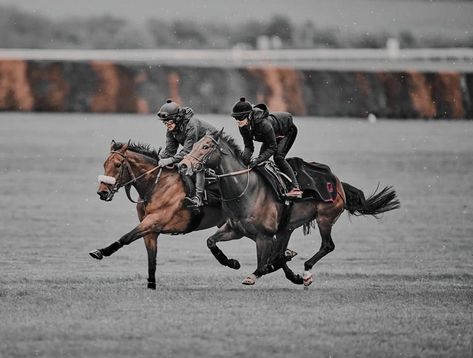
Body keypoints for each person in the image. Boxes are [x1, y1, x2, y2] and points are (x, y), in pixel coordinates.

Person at [231, 97, 303, 198]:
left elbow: (272, 147)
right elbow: (248, 146)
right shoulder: (243, 126)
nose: (238, 121)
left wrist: (256, 160)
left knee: (278, 157)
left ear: (249, 116)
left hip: (287, 131)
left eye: (240, 118)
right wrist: (244, 161)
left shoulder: (264, 124)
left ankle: (295, 188)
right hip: (271, 136)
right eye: (235, 118)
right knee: (260, 162)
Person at [157, 99, 217, 207]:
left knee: (198, 165)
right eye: (164, 122)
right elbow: (170, 151)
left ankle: (198, 198)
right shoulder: (171, 128)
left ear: (177, 118)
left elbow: (188, 151)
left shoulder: (191, 125)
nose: (167, 125)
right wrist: (157, 159)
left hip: (214, 147)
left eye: (169, 122)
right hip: (198, 149)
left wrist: (170, 160)